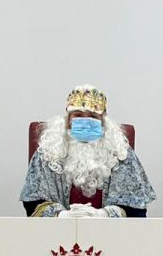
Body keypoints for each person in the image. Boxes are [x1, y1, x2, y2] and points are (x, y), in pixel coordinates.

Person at [21, 85, 155, 218]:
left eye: (93, 116)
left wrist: (104, 215)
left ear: (103, 121)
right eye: (78, 115)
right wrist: (62, 216)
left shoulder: (120, 152)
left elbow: (135, 208)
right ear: (68, 121)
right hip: (57, 230)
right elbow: (33, 204)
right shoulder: (48, 151)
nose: (85, 121)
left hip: (109, 230)